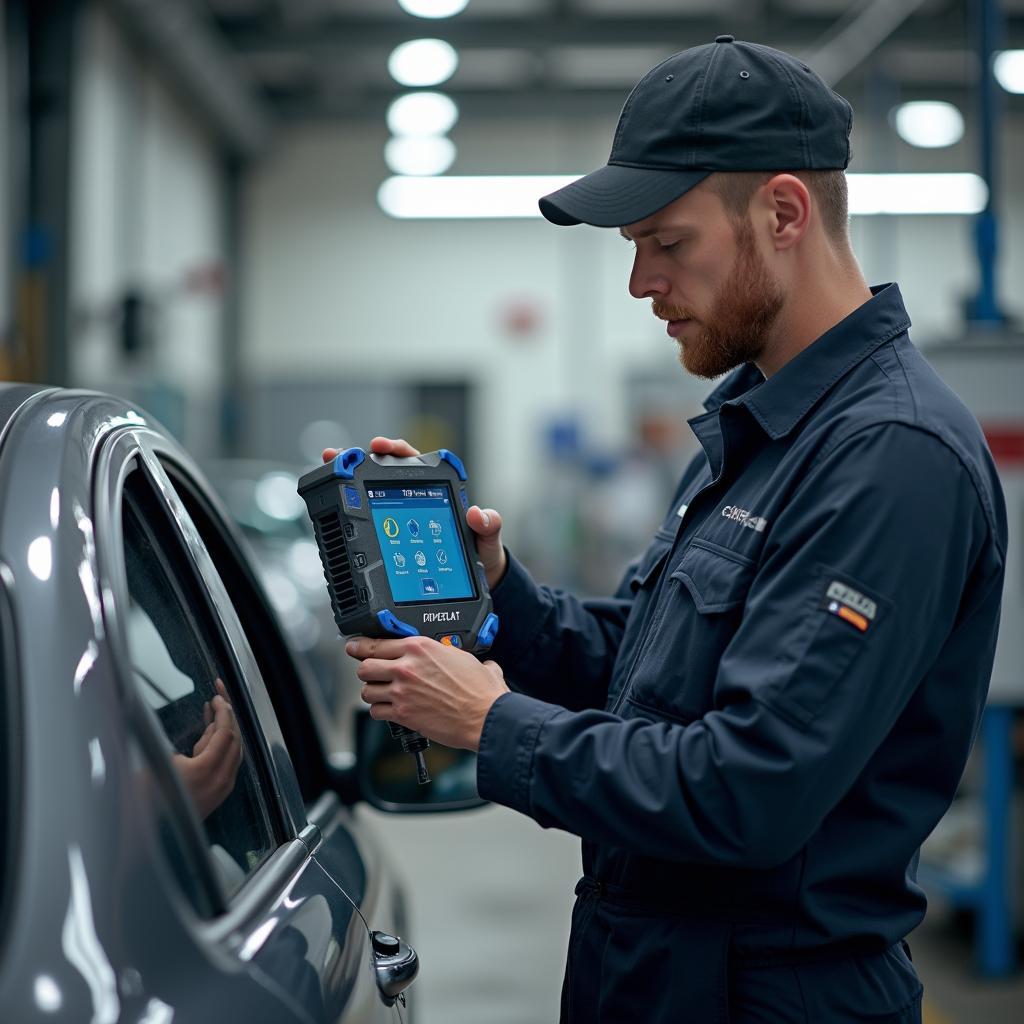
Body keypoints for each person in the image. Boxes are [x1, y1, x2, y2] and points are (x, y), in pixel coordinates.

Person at [335, 37, 1007, 1024]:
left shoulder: (888, 454)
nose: (640, 284)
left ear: (782, 212)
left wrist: (489, 722)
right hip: (660, 973)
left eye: (666, 242)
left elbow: (746, 786)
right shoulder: (760, 421)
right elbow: (652, 676)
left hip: (767, 993)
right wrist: (500, 594)